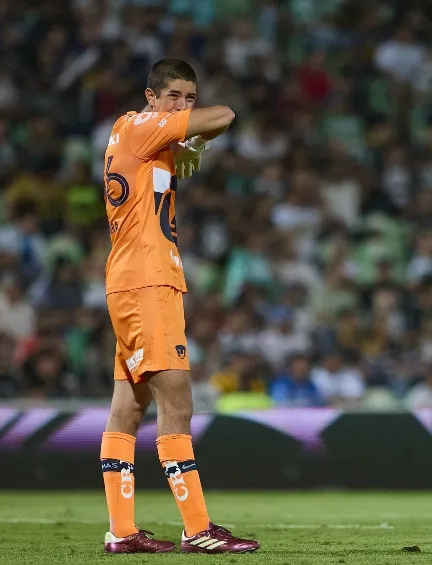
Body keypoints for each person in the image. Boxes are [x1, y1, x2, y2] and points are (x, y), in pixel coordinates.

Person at [100, 58, 258, 554]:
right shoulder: (143, 127)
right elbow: (225, 115)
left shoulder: (135, 134)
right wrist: (196, 136)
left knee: (128, 409)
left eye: (190, 98)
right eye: (173, 96)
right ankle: (198, 530)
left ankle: (121, 532)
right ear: (150, 96)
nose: (182, 106)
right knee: (178, 406)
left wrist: (185, 143)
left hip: (130, 282)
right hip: (148, 283)